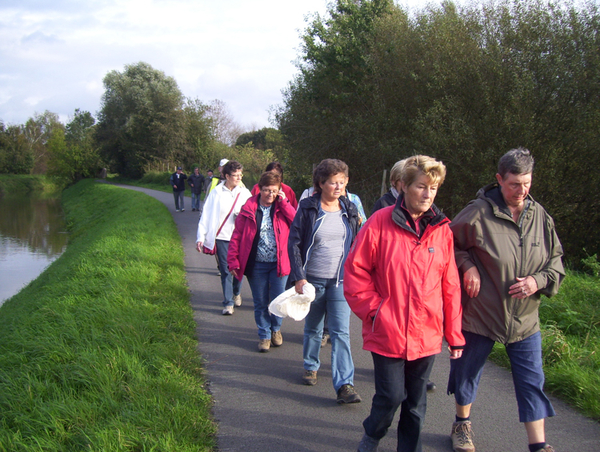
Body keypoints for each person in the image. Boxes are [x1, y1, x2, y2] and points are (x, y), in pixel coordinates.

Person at [344, 155, 465, 452]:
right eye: (421, 186)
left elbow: (450, 284)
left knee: (415, 402)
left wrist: (455, 334)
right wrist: (376, 312)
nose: (427, 194)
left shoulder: (442, 230)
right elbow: (355, 273)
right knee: (391, 396)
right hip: (388, 329)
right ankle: (372, 433)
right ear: (404, 187)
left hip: (427, 332)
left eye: (433, 188)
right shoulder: (379, 223)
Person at [448, 148, 565, 452]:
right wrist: (467, 265)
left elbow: (556, 263)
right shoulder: (477, 212)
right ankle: (462, 424)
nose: (522, 191)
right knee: (466, 374)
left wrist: (536, 281)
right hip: (482, 313)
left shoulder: (540, 216)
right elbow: (446, 245)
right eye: (515, 184)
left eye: (527, 183)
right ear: (499, 180)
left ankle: (538, 444)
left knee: (531, 381)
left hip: (525, 319)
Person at [288, 158, 361, 404]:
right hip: (313, 281)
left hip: (341, 281)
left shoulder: (350, 209)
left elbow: (356, 244)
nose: (338, 187)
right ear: (321, 183)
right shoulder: (308, 208)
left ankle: (345, 385)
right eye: (333, 182)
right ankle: (310, 365)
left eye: (342, 182)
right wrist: (299, 277)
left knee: (341, 332)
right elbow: (294, 243)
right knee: (314, 327)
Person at [228, 171, 296, 352]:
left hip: (279, 264)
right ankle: (264, 335)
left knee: (278, 301)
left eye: (274, 191)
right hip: (256, 264)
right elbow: (237, 236)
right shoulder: (249, 207)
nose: (270, 195)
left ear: (279, 191)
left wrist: (284, 203)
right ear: (259, 189)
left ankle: (276, 330)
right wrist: (233, 260)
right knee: (260, 301)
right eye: (266, 190)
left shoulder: (282, 207)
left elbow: (296, 222)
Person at [196, 160, 252, 315]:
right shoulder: (216, 192)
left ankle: (236, 292)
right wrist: (201, 237)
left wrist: (242, 216)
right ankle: (228, 303)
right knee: (226, 270)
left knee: (238, 269)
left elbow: (253, 214)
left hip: (240, 238)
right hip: (222, 237)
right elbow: (206, 215)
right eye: (235, 175)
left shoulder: (245, 193)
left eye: (240, 175)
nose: (239, 178)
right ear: (226, 176)